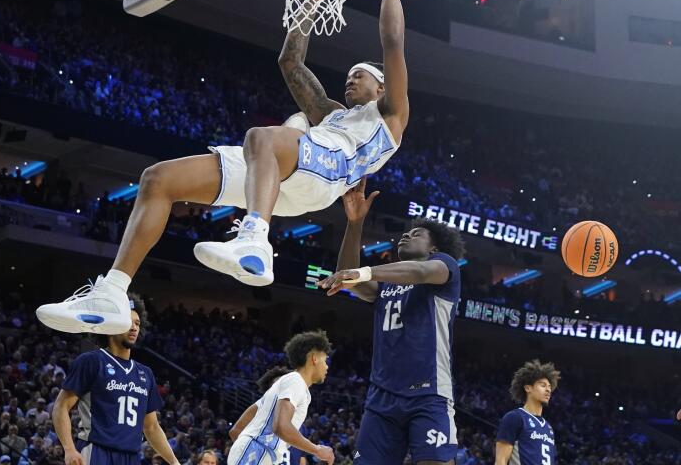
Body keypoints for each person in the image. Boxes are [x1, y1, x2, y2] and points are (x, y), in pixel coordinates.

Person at [35, 0, 410, 335]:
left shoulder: (391, 114)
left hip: (327, 172)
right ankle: (112, 291)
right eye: (348, 74)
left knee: (264, 136)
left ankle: (255, 240)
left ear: (382, 87)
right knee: (157, 180)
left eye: (360, 75)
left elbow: (393, 41)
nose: (350, 78)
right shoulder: (333, 113)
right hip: (288, 173)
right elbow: (290, 63)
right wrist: (310, 2)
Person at [319, 179, 466, 465]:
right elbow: (346, 279)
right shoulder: (385, 286)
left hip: (429, 393)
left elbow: (420, 273)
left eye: (417, 233)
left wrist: (364, 272)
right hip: (382, 397)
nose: (406, 236)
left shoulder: (444, 266)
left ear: (434, 247)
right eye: (405, 232)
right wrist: (355, 223)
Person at [51, 293, 181, 465]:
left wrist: (174, 462)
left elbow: (151, 427)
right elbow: (61, 407)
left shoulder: (146, 373)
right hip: (96, 451)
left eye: (137, 323)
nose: (134, 327)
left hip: (131, 457)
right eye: (128, 322)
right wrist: (69, 449)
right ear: (112, 323)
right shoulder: (91, 361)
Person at [227, 331, 334, 465]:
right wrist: (317, 450)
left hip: (265, 454)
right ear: (314, 359)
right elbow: (281, 427)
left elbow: (236, 430)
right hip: (258, 451)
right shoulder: (295, 380)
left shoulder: (283, 387)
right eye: (325, 360)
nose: (327, 366)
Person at [495, 361, 559, 465]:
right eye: (543, 385)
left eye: (549, 387)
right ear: (528, 388)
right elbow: (500, 461)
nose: (548, 389)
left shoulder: (549, 428)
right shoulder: (515, 418)